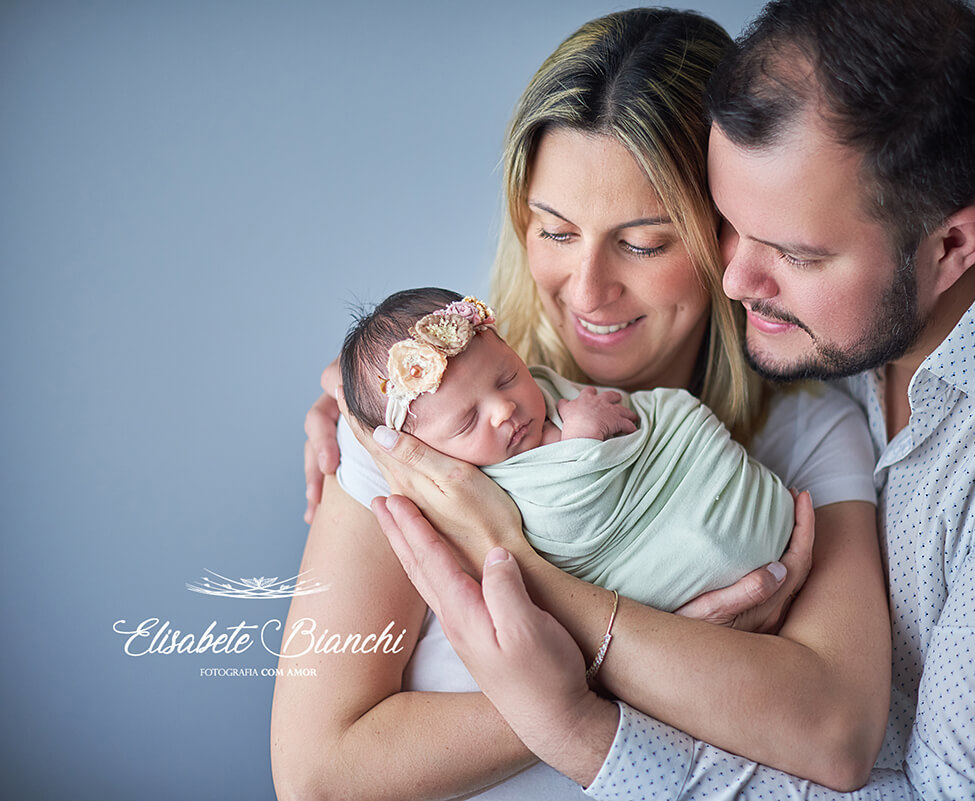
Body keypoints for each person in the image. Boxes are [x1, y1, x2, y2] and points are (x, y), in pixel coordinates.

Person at [374, 0, 975, 799]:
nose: (733, 280)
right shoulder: (846, 286)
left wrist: (582, 724)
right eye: (728, 223)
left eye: (792, 254)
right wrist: (395, 387)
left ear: (952, 247)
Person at [273, 7, 889, 801]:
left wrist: (528, 573)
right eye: (555, 232)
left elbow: (836, 734)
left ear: (728, 231)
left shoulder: (808, 436)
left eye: (643, 242)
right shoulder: (418, 418)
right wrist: (657, 664)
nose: (590, 290)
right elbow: (318, 773)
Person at [340, 286, 795, 611]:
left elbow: (641, 418)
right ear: (419, 451)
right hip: (658, 561)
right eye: (467, 420)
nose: (504, 409)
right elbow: (562, 522)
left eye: (507, 377)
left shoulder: (540, 390)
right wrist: (580, 438)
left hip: (698, 478)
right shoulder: (464, 488)